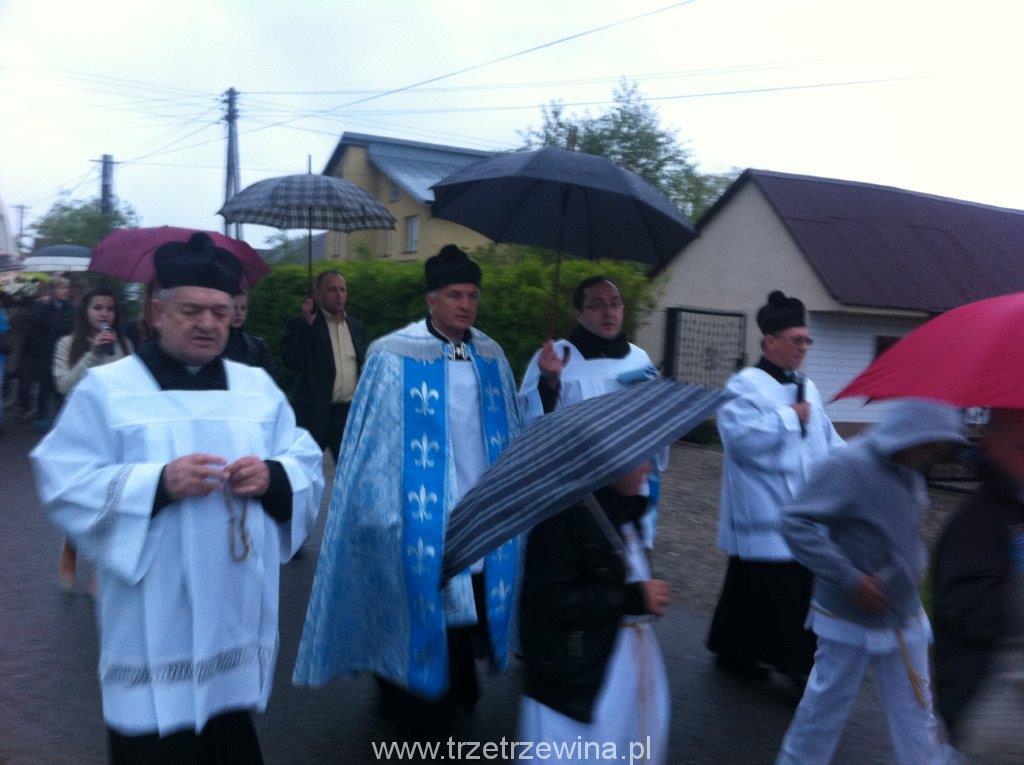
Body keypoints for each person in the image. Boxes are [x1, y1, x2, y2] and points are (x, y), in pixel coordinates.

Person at [30, 232, 324, 763]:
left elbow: (304, 462)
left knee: (229, 735)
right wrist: (158, 484)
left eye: (220, 312)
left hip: (233, 606)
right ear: (157, 313)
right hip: (152, 610)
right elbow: (65, 479)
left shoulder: (257, 388)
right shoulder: (109, 389)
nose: (208, 323)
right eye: (191, 311)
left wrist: (274, 477)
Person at [294, 244, 521, 733]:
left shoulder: (490, 355)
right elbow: (372, 441)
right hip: (415, 503)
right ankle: (406, 694)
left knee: (464, 600)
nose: (466, 305)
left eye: (473, 296)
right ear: (431, 299)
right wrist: (379, 506)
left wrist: (547, 384)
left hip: (475, 502)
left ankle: (457, 689)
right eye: (455, 295)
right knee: (417, 594)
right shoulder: (393, 354)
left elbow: (511, 426)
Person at [776, 399, 966, 764]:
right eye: (930, 444)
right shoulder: (847, 465)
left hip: (904, 616)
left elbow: (902, 533)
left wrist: (915, 566)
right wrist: (850, 579)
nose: (932, 454)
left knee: (917, 714)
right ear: (911, 434)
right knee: (822, 713)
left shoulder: (911, 472)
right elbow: (794, 523)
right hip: (848, 617)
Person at [707, 290, 843, 684]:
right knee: (781, 593)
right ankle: (800, 671)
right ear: (770, 342)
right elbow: (740, 440)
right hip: (764, 507)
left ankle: (735, 650)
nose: (803, 348)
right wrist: (788, 417)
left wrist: (857, 461)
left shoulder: (806, 386)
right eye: (796, 340)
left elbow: (826, 438)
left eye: (807, 340)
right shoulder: (744, 386)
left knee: (749, 587)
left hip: (803, 508)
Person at [517, 462, 671, 764]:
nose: (649, 468)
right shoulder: (560, 522)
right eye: (639, 459)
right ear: (609, 462)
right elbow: (550, 602)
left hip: (622, 668)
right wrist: (632, 598)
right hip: (579, 679)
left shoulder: (625, 510)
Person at [519, 276, 664, 548]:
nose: (609, 312)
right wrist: (548, 383)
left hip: (628, 491)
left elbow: (654, 430)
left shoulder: (639, 359)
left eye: (615, 303)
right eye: (597, 305)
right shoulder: (553, 358)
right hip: (575, 494)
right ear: (579, 313)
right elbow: (531, 429)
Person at [932, 408, 1024, 750]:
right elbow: (965, 609)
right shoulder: (977, 522)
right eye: (1021, 446)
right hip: (987, 702)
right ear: (992, 447)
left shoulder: (1015, 508)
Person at [52, 286, 134, 591]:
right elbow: (64, 385)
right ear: (85, 311)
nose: (104, 314)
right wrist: (92, 354)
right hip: (80, 432)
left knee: (111, 498)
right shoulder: (67, 344)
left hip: (115, 430)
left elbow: (131, 386)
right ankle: (71, 546)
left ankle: (99, 569)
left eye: (110, 309)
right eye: (98, 308)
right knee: (82, 499)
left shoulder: (124, 344)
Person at [281, 270, 366, 462]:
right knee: (305, 467)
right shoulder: (303, 322)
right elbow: (292, 361)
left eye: (343, 290)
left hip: (346, 414)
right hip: (314, 413)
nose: (339, 295)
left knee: (349, 469)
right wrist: (307, 324)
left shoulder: (356, 327)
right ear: (318, 294)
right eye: (332, 289)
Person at [26, 276, 75, 430]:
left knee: (62, 386)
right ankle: (42, 418)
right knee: (44, 386)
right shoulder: (42, 305)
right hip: (45, 352)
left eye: (66, 288)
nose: (65, 291)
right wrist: (45, 307)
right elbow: (35, 323)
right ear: (52, 290)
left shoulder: (71, 307)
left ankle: (61, 421)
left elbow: (70, 325)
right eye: (61, 288)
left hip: (64, 352)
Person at [222, 290, 277, 381]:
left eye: (243, 308)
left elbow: (270, 379)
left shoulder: (257, 345)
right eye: (234, 308)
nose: (239, 313)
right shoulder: (212, 344)